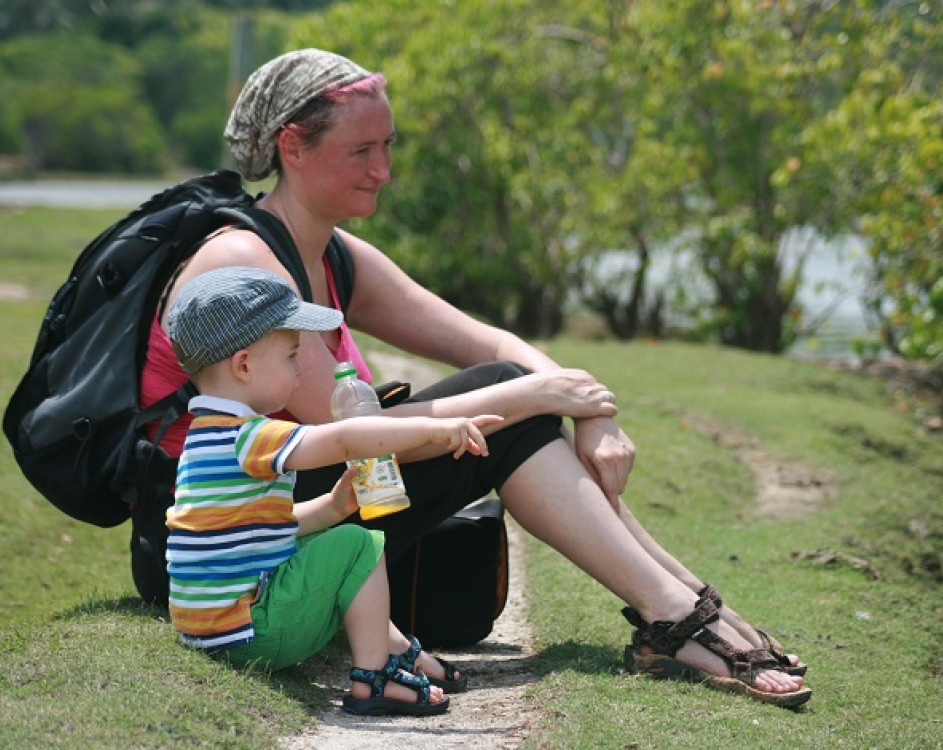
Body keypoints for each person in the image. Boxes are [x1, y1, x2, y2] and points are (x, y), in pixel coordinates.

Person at [141, 48, 811, 707]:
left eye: (389, 146)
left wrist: (590, 412)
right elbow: (348, 435)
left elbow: (493, 340)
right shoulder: (246, 261)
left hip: (295, 517)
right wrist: (533, 394)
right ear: (293, 146)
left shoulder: (336, 254)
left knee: (516, 394)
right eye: (361, 151)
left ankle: (683, 604)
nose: (384, 170)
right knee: (512, 401)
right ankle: (677, 615)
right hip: (224, 552)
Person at [165, 265, 502, 715]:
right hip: (252, 631)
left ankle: (396, 647)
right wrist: (437, 431)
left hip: (209, 631)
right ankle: (374, 678)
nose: (302, 371)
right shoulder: (249, 435)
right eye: (291, 357)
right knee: (360, 544)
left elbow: (259, 531)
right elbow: (345, 438)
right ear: (243, 365)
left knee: (331, 540)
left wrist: (332, 505)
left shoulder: (203, 437)